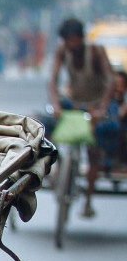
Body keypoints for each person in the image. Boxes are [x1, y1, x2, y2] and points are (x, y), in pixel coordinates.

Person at [46, 18, 113, 217]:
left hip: (95, 104)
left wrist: (103, 107)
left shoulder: (96, 51)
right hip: (72, 101)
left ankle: (88, 200)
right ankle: (52, 165)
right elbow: (53, 80)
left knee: (94, 150)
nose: (73, 44)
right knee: (44, 126)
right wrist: (56, 104)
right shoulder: (61, 51)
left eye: (76, 40)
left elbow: (109, 79)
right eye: (69, 40)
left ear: (82, 38)